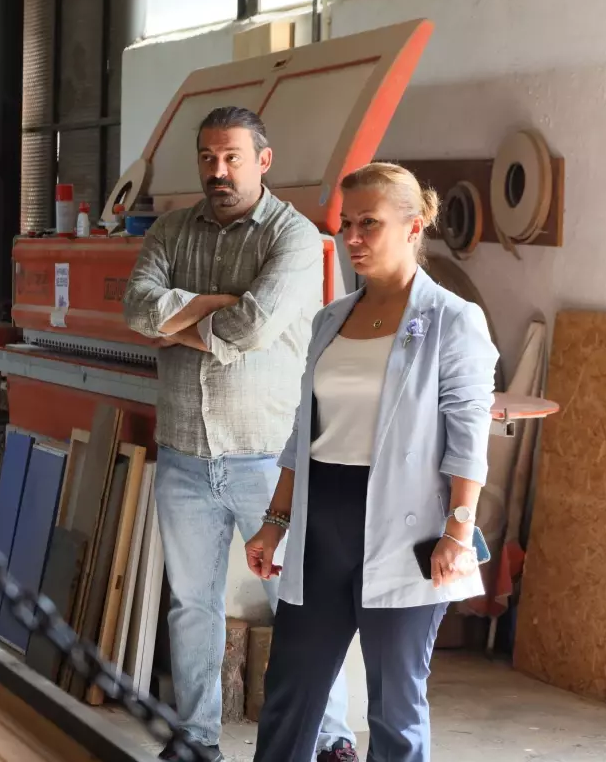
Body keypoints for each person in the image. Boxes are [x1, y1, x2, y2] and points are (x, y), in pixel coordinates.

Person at [243, 162, 499, 762]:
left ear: (413, 228)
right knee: (290, 692)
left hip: (406, 531)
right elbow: (304, 430)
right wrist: (275, 522)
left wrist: (459, 532)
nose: (352, 238)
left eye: (369, 224)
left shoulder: (453, 320)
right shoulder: (331, 319)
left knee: (394, 705)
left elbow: (469, 436)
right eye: (347, 224)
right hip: (321, 526)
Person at [122, 106, 355, 762]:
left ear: (263, 160)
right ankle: (196, 740)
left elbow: (255, 326)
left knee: (300, 602)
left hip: (269, 459)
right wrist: (222, 307)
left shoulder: (295, 237)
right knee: (191, 605)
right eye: (208, 157)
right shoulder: (169, 231)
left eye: (232, 157)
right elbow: (137, 309)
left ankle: (331, 738)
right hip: (184, 456)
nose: (218, 170)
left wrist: (181, 320)